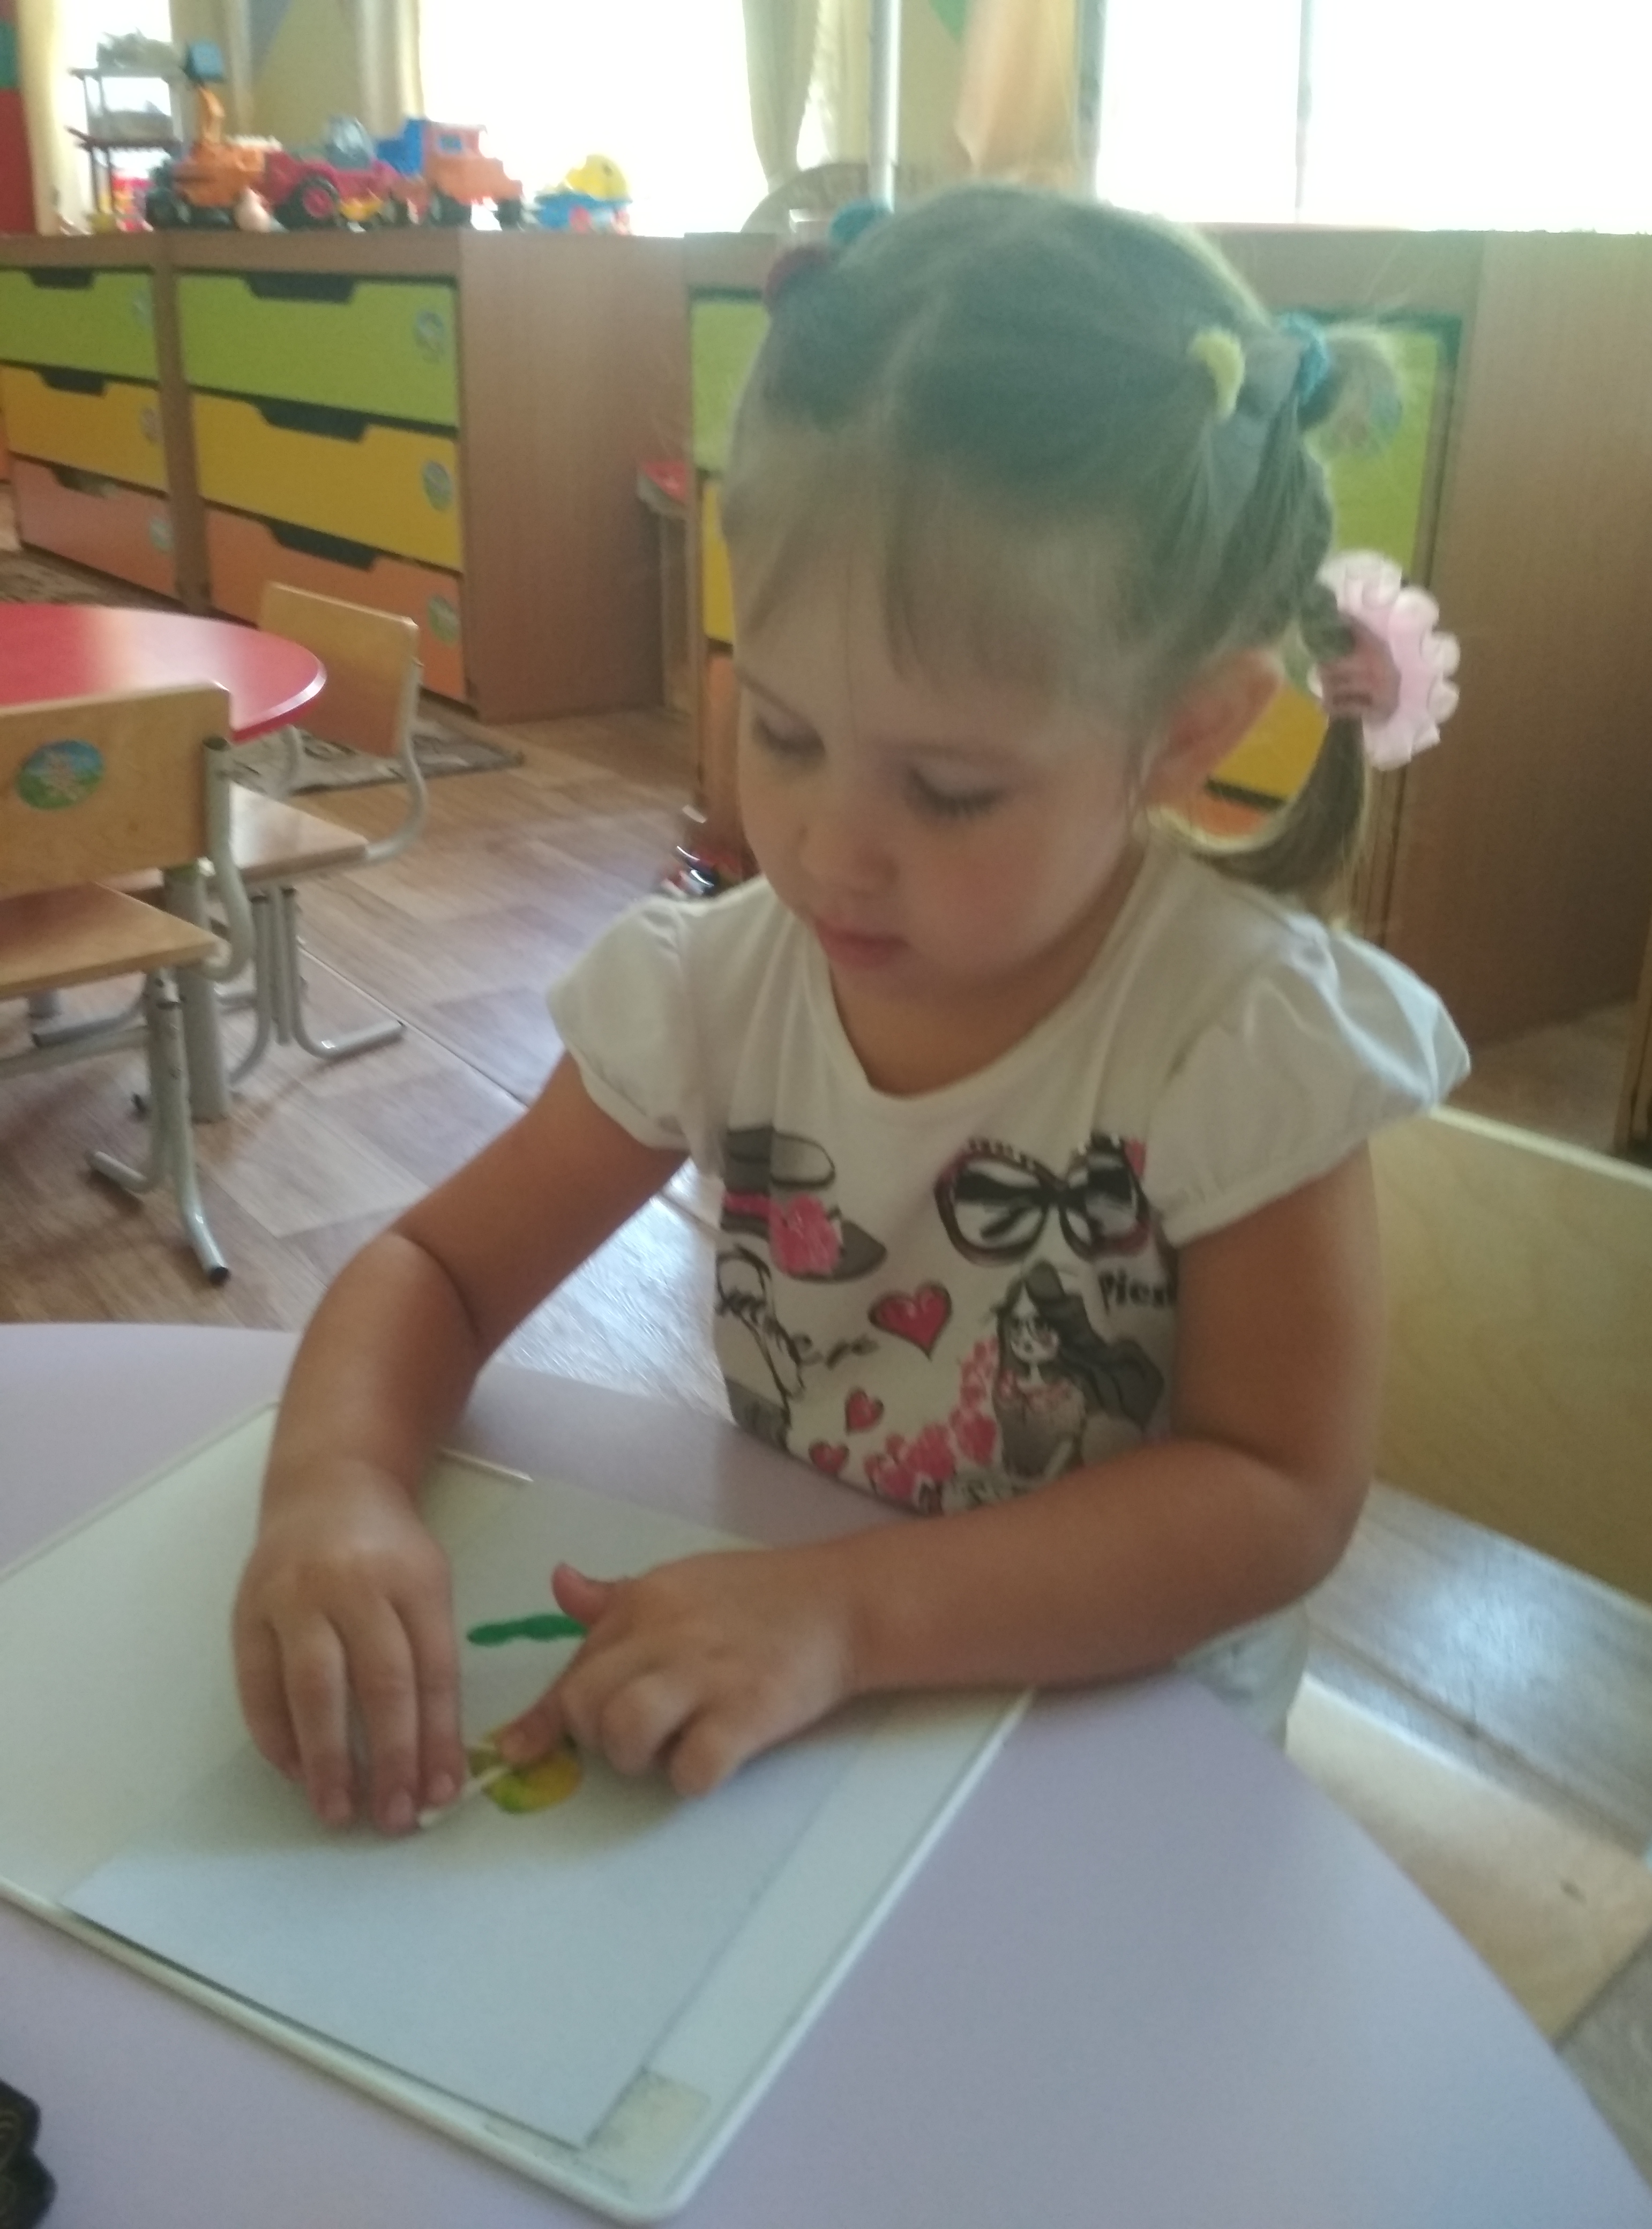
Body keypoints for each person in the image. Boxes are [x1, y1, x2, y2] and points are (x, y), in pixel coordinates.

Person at [233, 185, 1468, 1836]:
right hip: (794, 1677)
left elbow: (1275, 1497)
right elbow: (436, 1272)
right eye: (787, 732)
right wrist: (333, 1486)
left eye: (948, 791)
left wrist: (849, 1615)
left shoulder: (1237, 1041)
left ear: (1187, 734)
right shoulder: (717, 986)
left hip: (1122, 1742)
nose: (825, 848)